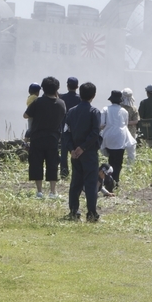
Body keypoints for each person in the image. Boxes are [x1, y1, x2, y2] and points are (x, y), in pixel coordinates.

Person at [63, 82, 102, 222]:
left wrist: (72, 149)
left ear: (80, 94)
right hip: (89, 152)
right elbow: (95, 133)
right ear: (93, 95)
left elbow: (66, 132)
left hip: (75, 153)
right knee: (91, 183)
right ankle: (91, 213)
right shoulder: (94, 112)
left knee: (75, 183)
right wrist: (83, 147)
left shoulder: (71, 111)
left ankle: (74, 211)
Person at [23, 76, 67, 198]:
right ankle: (53, 192)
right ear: (57, 89)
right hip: (53, 138)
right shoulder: (61, 103)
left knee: (36, 163)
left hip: (37, 137)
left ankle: (39, 192)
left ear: (43, 88)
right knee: (52, 164)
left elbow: (25, 115)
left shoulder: (37, 102)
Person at [100, 90, 129, 189]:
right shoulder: (124, 111)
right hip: (120, 137)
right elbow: (125, 125)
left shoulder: (105, 109)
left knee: (111, 159)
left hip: (109, 137)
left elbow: (101, 124)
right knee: (118, 161)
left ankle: (109, 181)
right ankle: (116, 181)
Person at [58, 77, 80, 178]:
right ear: (77, 86)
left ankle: (64, 172)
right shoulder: (80, 98)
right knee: (75, 150)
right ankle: (76, 172)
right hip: (76, 129)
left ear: (67, 86)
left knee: (64, 151)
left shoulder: (62, 98)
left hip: (64, 127)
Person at [121, 88, 139, 165]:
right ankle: (130, 166)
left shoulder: (119, 107)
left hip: (121, 130)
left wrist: (124, 123)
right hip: (131, 131)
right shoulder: (134, 108)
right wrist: (128, 123)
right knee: (131, 151)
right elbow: (136, 121)